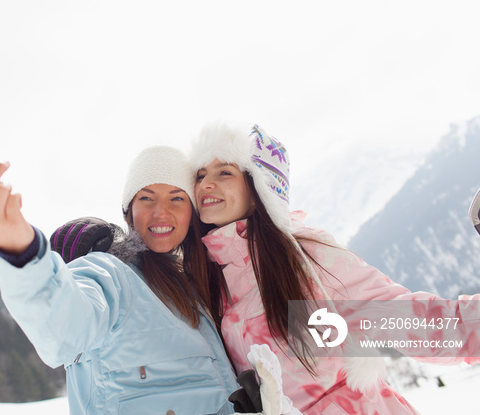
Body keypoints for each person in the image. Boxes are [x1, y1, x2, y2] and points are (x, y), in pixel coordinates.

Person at [188, 121, 480, 415]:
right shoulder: (209, 281)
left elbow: (405, 319)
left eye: (224, 172)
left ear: (259, 189)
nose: (205, 184)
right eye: (200, 175)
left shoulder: (304, 258)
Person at [0, 145, 241, 414]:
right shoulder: (112, 275)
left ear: (192, 211)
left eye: (176, 198)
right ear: (129, 211)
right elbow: (62, 327)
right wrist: (15, 244)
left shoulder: (199, 286)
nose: (160, 212)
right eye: (146, 198)